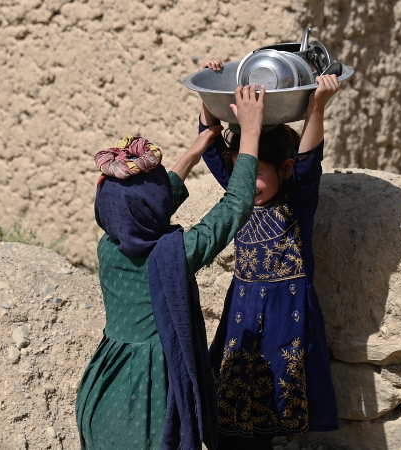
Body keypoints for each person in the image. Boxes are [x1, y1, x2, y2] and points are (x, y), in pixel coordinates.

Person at [75, 83, 268, 450]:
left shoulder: (109, 245)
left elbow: (148, 209)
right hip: (145, 396)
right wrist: (252, 133)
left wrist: (194, 152)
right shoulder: (173, 255)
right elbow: (234, 209)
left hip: (102, 391)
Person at [196, 58, 341, 449]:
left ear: (286, 167)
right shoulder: (239, 196)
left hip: (285, 319)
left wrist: (317, 107)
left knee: (273, 404)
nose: (250, 181)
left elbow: (312, 162)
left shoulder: (297, 202)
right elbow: (211, 142)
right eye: (245, 171)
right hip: (241, 315)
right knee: (232, 401)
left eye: (259, 171)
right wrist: (211, 88)